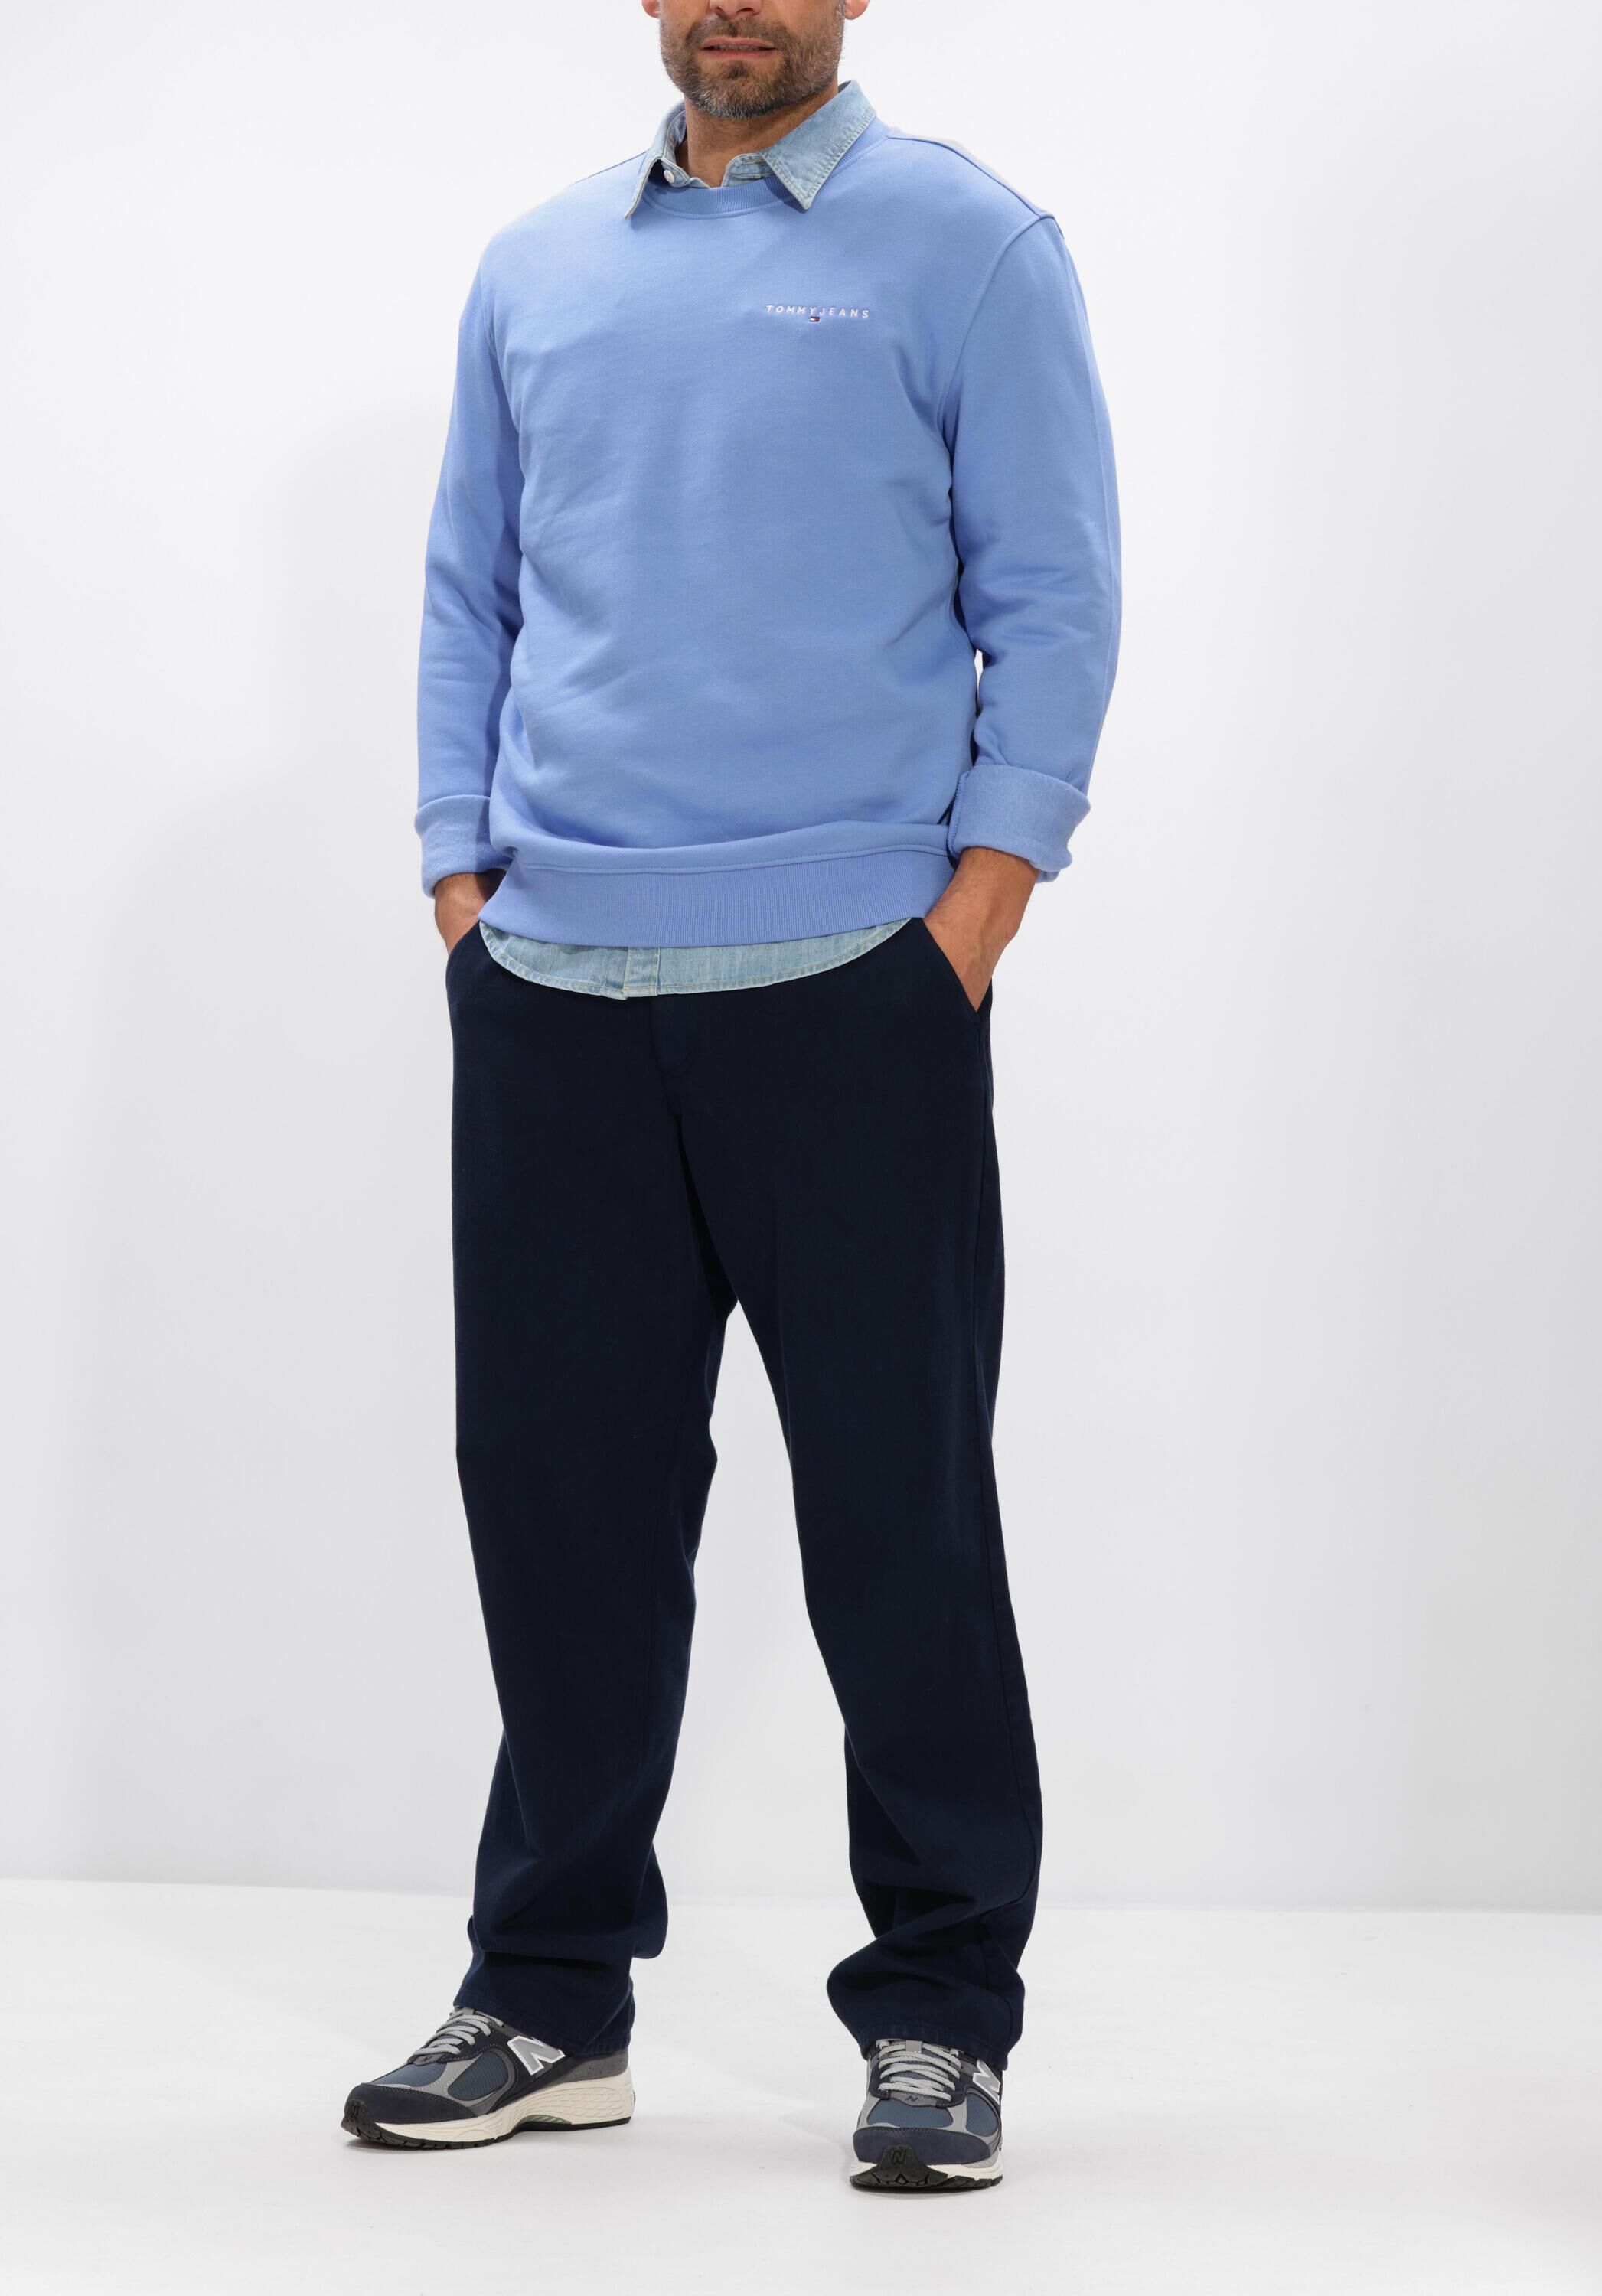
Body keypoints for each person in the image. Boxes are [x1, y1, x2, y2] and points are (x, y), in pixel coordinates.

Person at [341, 0, 1121, 2193]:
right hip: (554, 986)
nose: (732, 7)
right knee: (560, 1514)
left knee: (896, 1515)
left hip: (852, 989)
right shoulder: (536, 265)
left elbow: (1055, 595)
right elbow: (470, 588)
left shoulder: (967, 244)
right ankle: (547, 1997)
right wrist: (458, 874)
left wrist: (970, 918)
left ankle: (942, 2016)